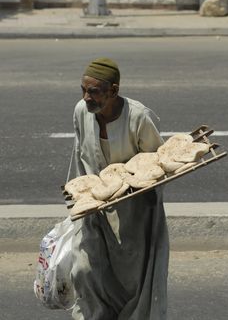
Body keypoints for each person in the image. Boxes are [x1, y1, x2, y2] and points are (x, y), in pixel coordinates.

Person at [71, 57, 169, 320]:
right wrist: (80, 198)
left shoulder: (138, 116)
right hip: (94, 210)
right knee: (86, 270)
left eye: (93, 91)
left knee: (133, 282)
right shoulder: (82, 110)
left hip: (135, 215)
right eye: (83, 89)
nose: (86, 97)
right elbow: (80, 153)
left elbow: (157, 164)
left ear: (113, 91)